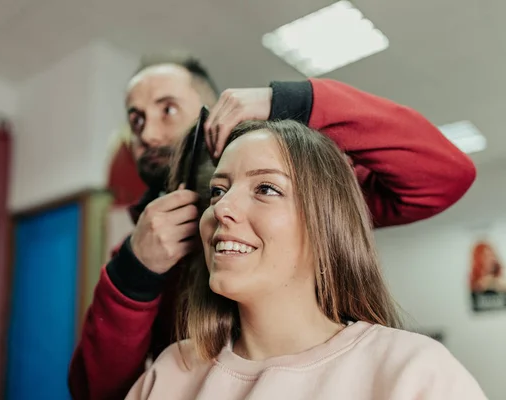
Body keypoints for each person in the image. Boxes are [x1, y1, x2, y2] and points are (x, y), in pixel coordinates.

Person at [68, 53, 477, 400]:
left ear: (213, 114)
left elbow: (445, 175)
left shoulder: (411, 372)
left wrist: (294, 102)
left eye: (167, 109)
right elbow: (99, 391)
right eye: (136, 120)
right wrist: (134, 273)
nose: (148, 133)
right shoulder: (141, 269)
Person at [125, 119, 487, 399]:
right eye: (218, 190)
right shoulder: (170, 372)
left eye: (266, 188)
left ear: (325, 223)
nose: (222, 208)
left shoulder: (413, 372)